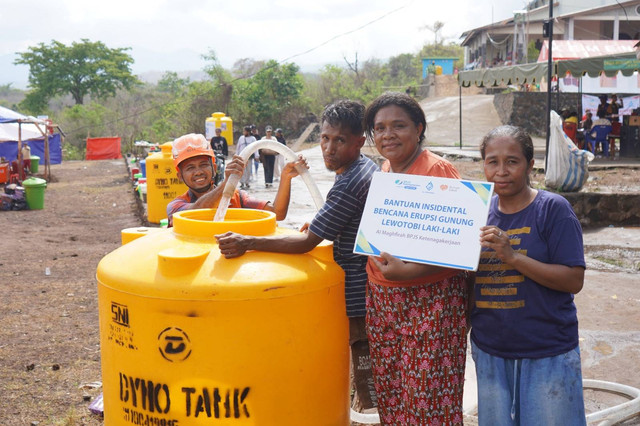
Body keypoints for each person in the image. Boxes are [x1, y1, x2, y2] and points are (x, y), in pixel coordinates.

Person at [215, 100, 380, 410]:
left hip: (359, 291)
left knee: (365, 369)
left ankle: (369, 411)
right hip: (368, 283)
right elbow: (341, 221)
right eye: (325, 138)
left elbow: (306, 243)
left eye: (340, 140)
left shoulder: (350, 182)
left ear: (359, 141)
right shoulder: (363, 166)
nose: (329, 148)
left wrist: (245, 242)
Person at [362, 92, 469, 425]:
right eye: (379, 128)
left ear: (419, 128)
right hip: (385, 302)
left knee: (429, 399)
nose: (387, 135)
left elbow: (462, 249)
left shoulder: (437, 170)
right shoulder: (386, 169)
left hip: (430, 304)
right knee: (393, 396)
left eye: (399, 126)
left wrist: (408, 273)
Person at [471, 125, 586, 425]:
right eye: (492, 161)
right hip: (490, 351)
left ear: (530, 165)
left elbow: (574, 280)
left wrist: (513, 258)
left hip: (546, 350)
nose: (501, 171)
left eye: (512, 161)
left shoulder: (552, 209)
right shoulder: (476, 212)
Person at [166, 133, 306, 226]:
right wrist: (227, 184)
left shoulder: (237, 198)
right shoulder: (176, 206)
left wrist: (286, 177)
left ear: (214, 168)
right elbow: (193, 213)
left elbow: (278, 213)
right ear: (180, 176)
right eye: (190, 168)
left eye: (203, 165)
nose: (198, 172)